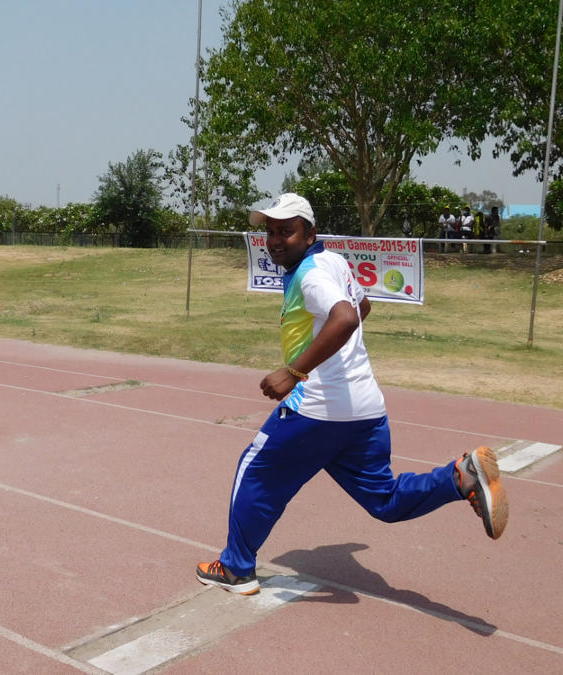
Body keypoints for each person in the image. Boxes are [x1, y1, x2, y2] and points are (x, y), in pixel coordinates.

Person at [196, 193, 509, 595]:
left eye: (286, 232)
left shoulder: (310, 275)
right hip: (364, 410)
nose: (275, 241)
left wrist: (294, 372)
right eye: (270, 232)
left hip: (317, 409)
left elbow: (345, 317)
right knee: (385, 501)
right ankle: (458, 477)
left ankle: (235, 568)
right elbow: (362, 308)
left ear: (310, 235)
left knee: (254, 470)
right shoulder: (333, 261)